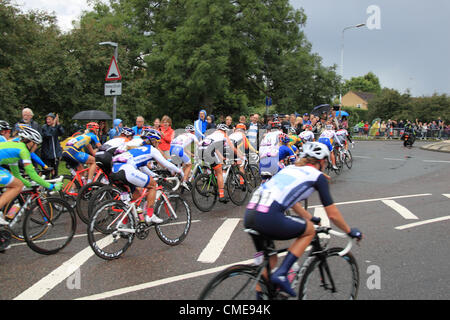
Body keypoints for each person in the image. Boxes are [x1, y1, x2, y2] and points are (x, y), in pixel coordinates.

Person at [244, 142, 363, 297]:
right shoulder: (317, 176)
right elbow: (332, 214)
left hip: (250, 214)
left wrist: (310, 217)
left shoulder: (290, 169)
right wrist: (349, 230)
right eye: (326, 162)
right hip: (268, 216)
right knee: (309, 231)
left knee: (270, 261)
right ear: (321, 161)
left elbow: (292, 202)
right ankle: (282, 273)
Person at [111, 128, 183, 225]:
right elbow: (165, 163)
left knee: (135, 197)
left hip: (114, 170)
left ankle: (123, 224)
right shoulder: (151, 149)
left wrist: (154, 175)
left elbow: (143, 168)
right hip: (126, 170)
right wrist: (180, 171)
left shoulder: (138, 148)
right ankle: (150, 215)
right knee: (153, 185)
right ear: (153, 141)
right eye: (157, 142)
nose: (158, 145)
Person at [0, 127, 63, 227]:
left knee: (16, 183)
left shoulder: (16, 148)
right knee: (17, 186)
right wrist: (51, 186)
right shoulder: (23, 150)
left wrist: (27, 183)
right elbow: (32, 174)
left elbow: (16, 174)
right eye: (36, 144)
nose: (36, 147)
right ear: (30, 142)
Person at [198, 123, 234, 203]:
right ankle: (221, 196)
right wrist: (235, 155)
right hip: (208, 151)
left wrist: (222, 157)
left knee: (214, 166)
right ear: (225, 131)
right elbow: (230, 147)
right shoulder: (223, 135)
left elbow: (216, 149)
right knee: (219, 171)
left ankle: (211, 180)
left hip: (200, 150)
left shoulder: (212, 135)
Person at [169, 125, 200, 190]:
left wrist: (191, 154)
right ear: (193, 132)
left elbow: (184, 148)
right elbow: (198, 144)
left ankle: (176, 176)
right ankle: (185, 181)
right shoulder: (192, 135)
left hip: (171, 149)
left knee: (182, 164)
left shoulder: (182, 135)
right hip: (178, 150)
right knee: (189, 164)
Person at [41, 113, 64, 178]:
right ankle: (46, 185)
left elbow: (62, 132)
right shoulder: (44, 127)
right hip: (47, 154)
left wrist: (58, 124)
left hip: (55, 154)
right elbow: (48, 135)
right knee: (46, 171)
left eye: (49, 119)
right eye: (47, 119)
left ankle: (54, 185)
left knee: (55, 172)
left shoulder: (57, 126)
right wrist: (53, 126)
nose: (48, 121)